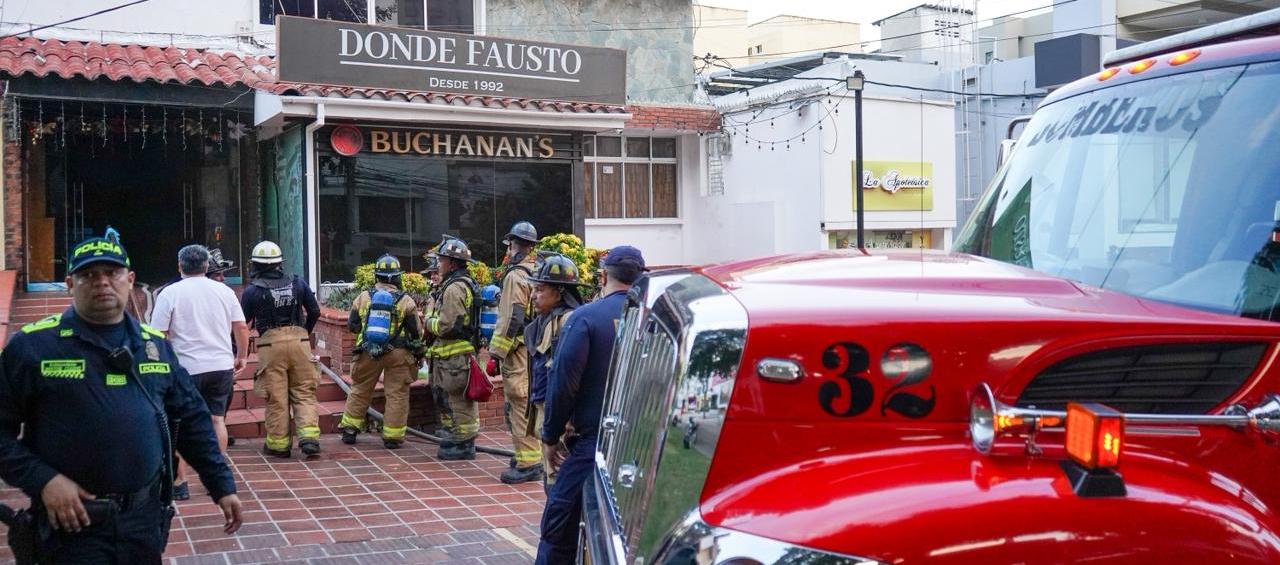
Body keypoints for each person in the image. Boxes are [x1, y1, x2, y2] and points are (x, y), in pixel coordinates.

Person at [0, 234, 242, 563]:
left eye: (111, 273)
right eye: (88, 275)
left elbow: (192, 418)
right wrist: (43, 480)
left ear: (129, 280)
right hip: (69, 525)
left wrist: (221, 484)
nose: (102, 282)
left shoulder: (155, 346)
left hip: (141, 524)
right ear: (70, 284)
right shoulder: (33, 347)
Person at [537, 245, 646, 564]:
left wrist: (549, 437)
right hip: (643, 449)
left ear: (602, 276)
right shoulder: (653, 319)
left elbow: (563, 385)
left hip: (594, 446)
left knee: (559, 528)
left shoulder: (586, 318)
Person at [150, 245, 249, 501]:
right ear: (207, 267)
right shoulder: (224, 292)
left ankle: (180, 483)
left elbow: (157, 334)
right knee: (217, 420)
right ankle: (216, 478)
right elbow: (241, 327)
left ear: (179, 266)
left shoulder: (169, 293)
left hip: (185, 369)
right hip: (220, 366)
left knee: (178, 425)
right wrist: (242, 356)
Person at [240, 241, 322, 458]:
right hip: (300, 342)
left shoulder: (252, 291)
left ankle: (278, 446)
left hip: (270, 344)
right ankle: (309, 438)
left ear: (255, 265)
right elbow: (314, 311)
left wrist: (238, 350)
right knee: (304, 391)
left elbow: (243, 322)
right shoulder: (299, 283)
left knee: (276, 396)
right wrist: (304, 333)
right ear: (279, 263)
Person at [339, 254, 422, 449]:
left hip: (367, 352)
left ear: (377, 276)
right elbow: (416, 332)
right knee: (397, 394)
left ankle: (350, 430)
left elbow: (352, 325)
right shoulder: (406, 301)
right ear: (397, 277)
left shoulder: (363, 296)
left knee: (359, 389)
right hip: (398, 354)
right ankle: (392, 437)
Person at [523, 253, 583, 492]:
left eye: (540, 289)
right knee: (550, 479)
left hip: (561, 418)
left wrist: (563, 424)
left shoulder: (569, 321)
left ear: (559, 292)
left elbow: (568, 378)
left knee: (558, 481)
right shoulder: (547, 321)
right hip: (547, 413)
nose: (533, 296)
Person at [490, 221, 543, 484]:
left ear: (513, 245)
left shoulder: (514, 276)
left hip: (518, 351)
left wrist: (496, 353)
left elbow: (511, 317)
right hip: (536, 351)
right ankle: (533, 454)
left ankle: (528, 462)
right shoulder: (537, 271)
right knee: (532, 402)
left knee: (518, 402)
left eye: (509, 245)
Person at [425, 236, 481, 461]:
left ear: (453, 263)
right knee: (455, 399)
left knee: (459, 401)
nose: (438, 264)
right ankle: (460, 438)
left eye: (442, 260)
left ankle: (464, 444)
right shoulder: (458, 284)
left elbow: (449, 325)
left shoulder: (454, 289)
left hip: (456, 357)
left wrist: (428, 322)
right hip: (454, 356)